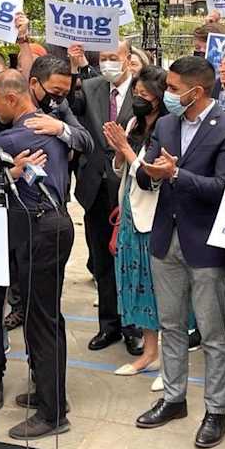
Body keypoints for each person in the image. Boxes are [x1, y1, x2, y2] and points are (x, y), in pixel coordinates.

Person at [134, 55, 225, 449]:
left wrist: (177, 174)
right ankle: (174, 399)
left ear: (196, 92)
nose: (166, 95)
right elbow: (150, 172)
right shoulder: (166, 123)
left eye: (174, 89)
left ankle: (216, 410)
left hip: (205, 243)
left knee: (214, 333)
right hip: (165, 238)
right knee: (171, 325)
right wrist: (143, 171)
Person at [0, 69, 74, 440]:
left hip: (39, 229)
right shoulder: (50, 127)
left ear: (11, 100)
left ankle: (52, 413)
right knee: (44, 316)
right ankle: (49, 393)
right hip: (51, 224)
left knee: (41, 321)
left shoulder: (12, 136)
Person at [71, 40, 144, 356]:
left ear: (128, 58)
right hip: (95, 187)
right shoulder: (89, 87)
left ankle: (134, 327)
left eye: (114, 58)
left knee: (130, 260)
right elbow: (71, 113)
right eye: (103, 59)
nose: (108, 64)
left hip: (131, 187)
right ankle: (109, 325)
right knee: (101, 260)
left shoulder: (144, 89)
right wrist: (75, 69)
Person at [103, 66, 166, 387]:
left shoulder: (170, 128)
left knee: (161, 290)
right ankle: (148, 352)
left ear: (160, 98)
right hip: (130, 212)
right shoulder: (132, 123)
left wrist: (126, 149)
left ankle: (171, 362)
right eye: (137, 94)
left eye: (145, 96)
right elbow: (123, 171)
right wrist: (119, 150)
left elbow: (152, 177)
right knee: (136, 282)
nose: (139, 100)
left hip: (157, 217)